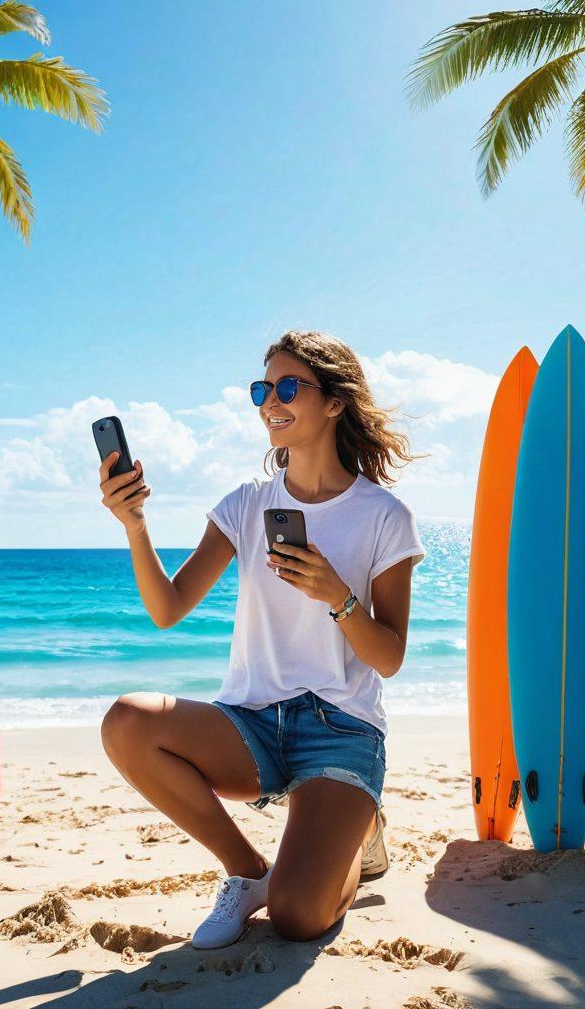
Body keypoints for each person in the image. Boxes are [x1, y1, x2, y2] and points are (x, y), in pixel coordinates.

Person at [98, 330, 426, 949]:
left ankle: (358, 832)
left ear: (334, 402)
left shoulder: (385, 516)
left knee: (299, 917)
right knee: (126, 722)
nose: (269, 400)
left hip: (343, 731)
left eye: (287, 386)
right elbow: (168, 608)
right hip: (250, 725)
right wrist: (134, 526)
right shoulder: (245, 505)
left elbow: (389, 656)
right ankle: (247, 872)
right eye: (262, 389)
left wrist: (339, 596)